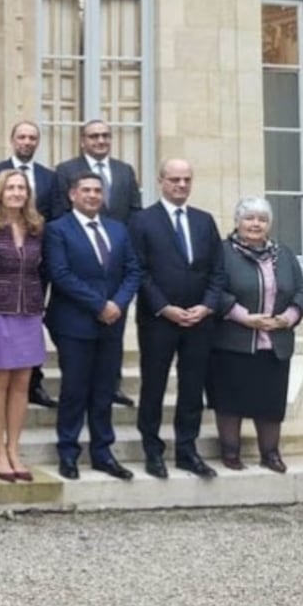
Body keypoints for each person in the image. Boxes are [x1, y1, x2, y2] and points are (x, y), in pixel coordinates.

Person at [129, 158, 226, 480]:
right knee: (154, 386)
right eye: (174, 180)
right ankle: (152, 451)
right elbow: (139, 271)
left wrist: (208, 306)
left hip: (199, 320)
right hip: (159, 320)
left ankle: (187, 450)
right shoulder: (142, 221)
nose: (181, 185)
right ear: (161, 181)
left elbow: (217, 271)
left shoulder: (204, 221)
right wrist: (164, 307)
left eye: (186, 179)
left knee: (192, 388)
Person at [44, 171, 141, 481]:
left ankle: (103, 452)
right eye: (85, 190)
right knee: (74, 390)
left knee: (104, 391)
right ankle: (68, 453)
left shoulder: (118, 229)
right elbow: (60, 274)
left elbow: (132, 272)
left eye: (97, 191)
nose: (92, 195)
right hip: (74, 323)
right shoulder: (57, 230)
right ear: (73, 195)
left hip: (112, 322)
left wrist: (117, 304)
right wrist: (98, 305)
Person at [209, 197, 303, 473]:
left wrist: (287, 318)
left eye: (262, 219)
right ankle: (230, 453)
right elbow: (213, 290)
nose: (256, 224)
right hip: (234, 341)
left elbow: (302, 290)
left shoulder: (284, 253)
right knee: (231, 400)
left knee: (270, 402)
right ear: (237, 221)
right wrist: (243, 316)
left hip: (274, 343)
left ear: (269, 225)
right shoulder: (222, 252)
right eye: (249, 218)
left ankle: (271, 454)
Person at [55, 120, 143, 408]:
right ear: (83, 140)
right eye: (94, 136)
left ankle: (113, 387)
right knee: (76, 382)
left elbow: (134, 214)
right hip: (79, 279)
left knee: (109, 360)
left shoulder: (124, 171)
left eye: (105, 135)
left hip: (115, 269)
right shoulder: (66, 170)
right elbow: (58, 215)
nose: (100, 140)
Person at [0, 169, 47, 482]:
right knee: (0, 379)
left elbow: (43, 271)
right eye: (11, 188)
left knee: (23, 380)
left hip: (29, 310)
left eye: (21, 188)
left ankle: (14, 447)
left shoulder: (36, 228)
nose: (16, 193)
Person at [0, 121, 58, 408]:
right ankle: (0, 447)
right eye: (22, 136)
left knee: (24, 375)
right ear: (12, 139)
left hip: (33, 282)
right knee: (1, 377)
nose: (27, 141)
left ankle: (36, 389)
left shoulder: (50, 178)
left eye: (32, 137)